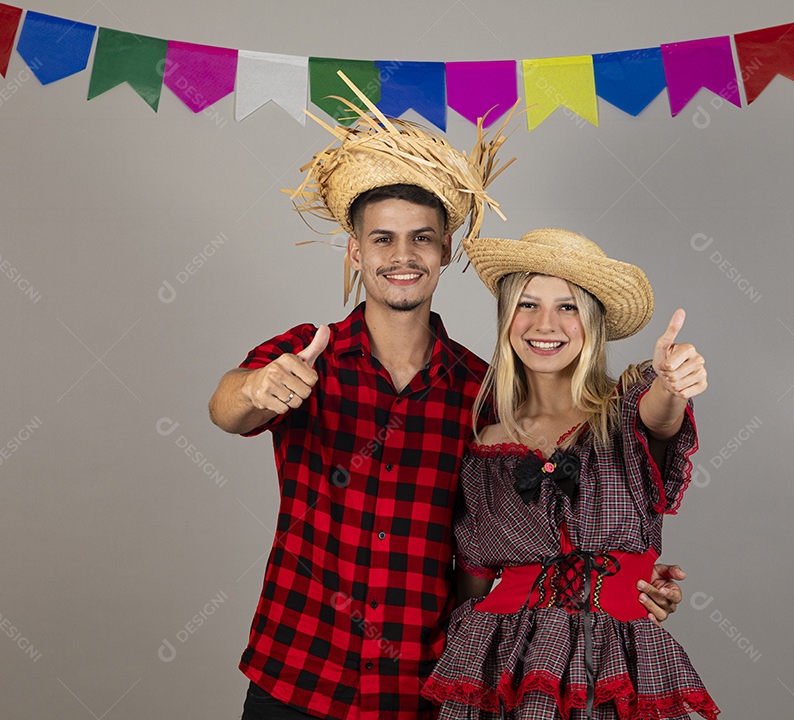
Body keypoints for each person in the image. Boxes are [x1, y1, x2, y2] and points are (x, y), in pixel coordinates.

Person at [209, 76, 688, 720]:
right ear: (355, 252)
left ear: (445, 252)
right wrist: (259, 387)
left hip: (423, 684)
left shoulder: (482, 393)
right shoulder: (307, 352)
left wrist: (626, 581)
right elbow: (226, 407)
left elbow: (542, 521)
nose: (402, 256)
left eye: (421, 238)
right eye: (382, 239)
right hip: (297, 672)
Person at [422, 228, 719, 720]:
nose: (545, 323)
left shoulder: (626, 414)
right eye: (527, 304)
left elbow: (660, 416)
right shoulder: (484, 447)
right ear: (506, 318)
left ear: (594, 322)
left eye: (567, 306)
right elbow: (470, 584)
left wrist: (673, 385)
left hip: (616, 662)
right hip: (506, 666)